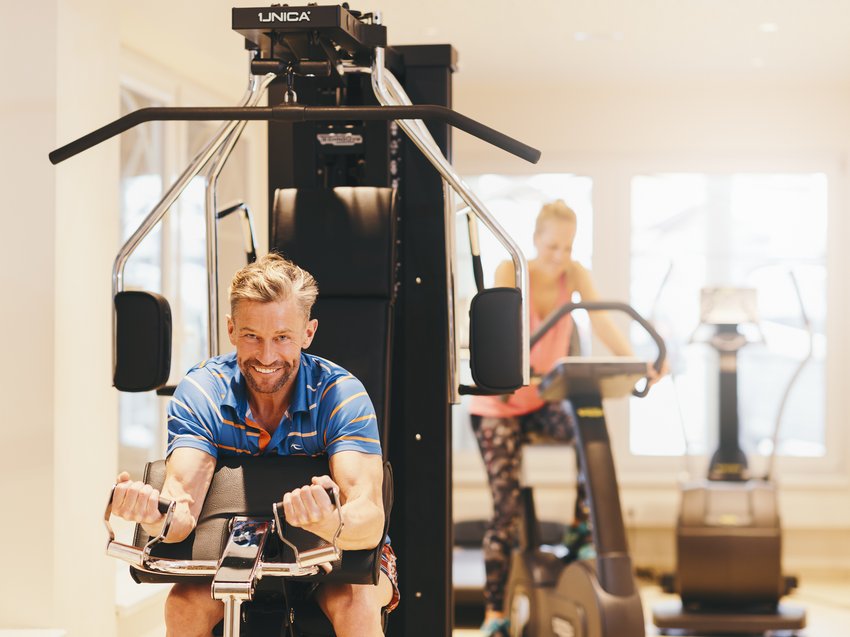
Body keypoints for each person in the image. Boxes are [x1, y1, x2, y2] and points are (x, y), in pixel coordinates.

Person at [110, 253, 399, 637]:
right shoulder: (202, 392)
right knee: (183, 605)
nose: (266, 356)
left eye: (282, 338)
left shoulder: (341, 395)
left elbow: (370, 519)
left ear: (308, 333)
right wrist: (153, 513)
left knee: (356, 603)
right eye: (252, 336)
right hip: (228, 552)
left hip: (335, 554)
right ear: (231, 329)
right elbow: (181, 511)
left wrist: (332, 521)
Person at [468, 200, 660, 637]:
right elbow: (502, 330)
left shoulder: (574, 274)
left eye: (568, 247)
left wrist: (635, 361)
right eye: (553, 246)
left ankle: (579, 529)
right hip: (499, 405)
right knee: (506, 512)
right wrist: (517, 367)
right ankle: (494, 611)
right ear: (536, 240)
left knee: (585, 424)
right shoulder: (509, 269)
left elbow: (603, 321)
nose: (559, 255)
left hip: (539, 402)